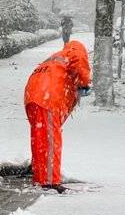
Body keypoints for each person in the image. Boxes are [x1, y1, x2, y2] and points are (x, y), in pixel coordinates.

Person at [24, 40, 91, 193]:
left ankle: (39, 172)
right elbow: (79, 62)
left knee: (40, 139)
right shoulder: (75, 51)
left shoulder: (55, 58)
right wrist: (84, 83)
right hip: (47, 98)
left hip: (33, 96)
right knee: (50, 140)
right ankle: (49, 182)